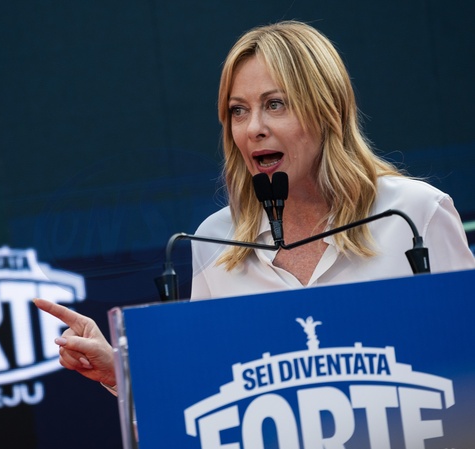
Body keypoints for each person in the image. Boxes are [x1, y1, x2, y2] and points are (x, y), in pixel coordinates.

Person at [34, 20, 475, 394]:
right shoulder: (216, 242)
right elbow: (204, 390)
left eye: (275, 105)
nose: (253, 129)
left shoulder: (414, 215)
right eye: (238, 111)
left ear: (327, 110)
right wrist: (121, 374)